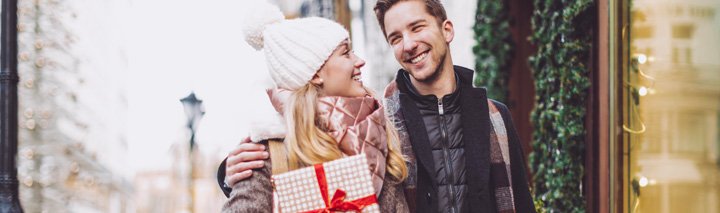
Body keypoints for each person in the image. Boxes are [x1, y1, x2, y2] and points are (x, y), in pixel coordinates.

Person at [220, 0, 536, 212]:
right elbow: (283, 159)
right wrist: (229, 171)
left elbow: (520, 200)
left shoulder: (495, 116)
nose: (409, 44)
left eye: (417, 27)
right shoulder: (382, 118)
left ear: (447, 30)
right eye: (395, 37)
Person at [221, 2, 409, 212]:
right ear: (316, 73)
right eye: (346, 53)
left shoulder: (383, 130)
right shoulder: (271, 155)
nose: (360, 61)